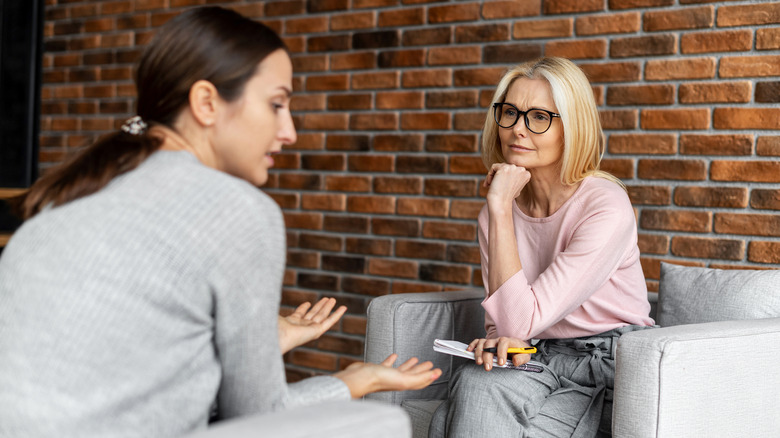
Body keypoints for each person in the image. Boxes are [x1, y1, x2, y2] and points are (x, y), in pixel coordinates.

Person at [0, 6, 440, 437]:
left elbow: (126, 369)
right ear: (207, 102)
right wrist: (357, 380)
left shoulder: (72, 196)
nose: (290, 132)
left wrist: (271, 340)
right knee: (377, 423)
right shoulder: (239, 210)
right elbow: (258, 417)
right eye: (276, 104)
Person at [428, 57, 655, 438]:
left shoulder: (605, 205)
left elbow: (520, 321)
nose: (518, 129)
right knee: (474, 383)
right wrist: (497, 342)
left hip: (607, 364)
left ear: (572, 126)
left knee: (456, 414)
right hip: (538, 354)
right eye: (511, 113)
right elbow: (506, 326)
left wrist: (499, 207)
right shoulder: (496, 215)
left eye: (538, 117)